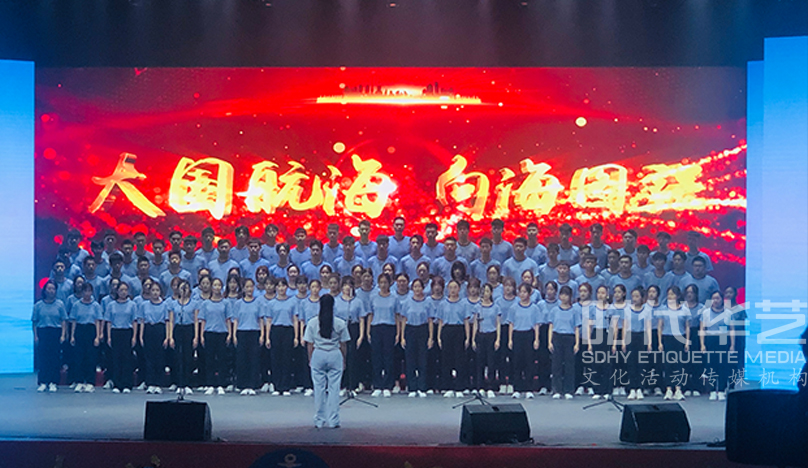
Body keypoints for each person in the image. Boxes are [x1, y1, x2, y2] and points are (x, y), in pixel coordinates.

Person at [303, 294, 351, 429]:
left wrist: (310, 359)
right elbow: (343, 344)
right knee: (334, 389)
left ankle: (319, 420)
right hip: (335, 353)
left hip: (318, 353)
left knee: (318, 389)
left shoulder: (312, 322)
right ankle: (333, 420)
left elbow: (309, 344)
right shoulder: (340, 323)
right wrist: (343, 359)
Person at [438, 280, 471, 397]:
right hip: (447, 330)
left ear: (459, 289)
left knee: (459, 359)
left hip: (459, 330)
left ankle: (459, 387)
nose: (453, 290)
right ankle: (448, 387)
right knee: (446, 360)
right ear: (447, 289)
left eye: (455, 287)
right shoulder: (443, 304)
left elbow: (466, 321)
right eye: (451, 287)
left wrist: (467, 337)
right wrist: (439, 337)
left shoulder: (464, 304)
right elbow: (440, 321)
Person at [656, 286, 690, 401]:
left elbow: (687, 327)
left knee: (679, 365)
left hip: (680, 338)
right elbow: (660, 326)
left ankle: (678, 389)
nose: (670, 296)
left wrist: (687, 342)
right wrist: (660, 342)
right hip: (667, 338)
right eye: (668, 294)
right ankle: (669, 389)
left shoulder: (684, 309)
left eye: (672, 294)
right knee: (668, 365)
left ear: (678, 296)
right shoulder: (663, 309)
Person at [699, 290, 735, 401]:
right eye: (713, 298)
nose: (715, 301)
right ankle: (713, 390)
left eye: (718, 298)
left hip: (723, 338)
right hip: (710, 339)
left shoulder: (728, 313)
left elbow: (732, 329)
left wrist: (732, 345)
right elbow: (702, 329)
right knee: (711, 365)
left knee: (723, 365)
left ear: (722, 299)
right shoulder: (706, 313)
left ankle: (722, 389)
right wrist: (702, 344)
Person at [33, 281, 68, 392]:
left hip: (55, 332)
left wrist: (63, 335)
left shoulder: (60, 304)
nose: (51, 291)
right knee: (43, 358)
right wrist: (35, 336)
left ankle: (54, 382)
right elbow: (35, 321)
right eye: (49, 288)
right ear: (44, 290)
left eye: (53, 289)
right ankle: (43, 382)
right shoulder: (38, 305)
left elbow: (63, 320)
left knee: (54, 358)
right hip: (43, 332)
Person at [508, 283, 541, 399]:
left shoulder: (534, 308)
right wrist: (510, 339)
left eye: (524, 292)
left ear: (529, 293)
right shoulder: (513, 308)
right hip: (517, 335)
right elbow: (511, 324)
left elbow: (536, 325)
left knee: (529, 363)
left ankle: (528, 389)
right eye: (520, 292)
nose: (522, 294)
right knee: (517, 363)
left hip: (529, 335)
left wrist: (536, 339)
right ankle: (517, 388)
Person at [231, 278, 264, 395]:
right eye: (247, 287)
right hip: (242, 332)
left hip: (254, 332)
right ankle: (242, 384)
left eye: (251, 286)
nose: (249, 289)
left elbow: (260, 319)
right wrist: (234, 335)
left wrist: (262, 335)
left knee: (254, 359)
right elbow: (236, 320)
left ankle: (253, 385)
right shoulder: (238, 303)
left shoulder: (258, 302)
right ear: (243, 288)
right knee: (242, 359)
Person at [548, 285, 582, 399]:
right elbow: (551, 326)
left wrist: (577, 343)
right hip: (557, 337)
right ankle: (556, 390)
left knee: (569, 365)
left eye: (566, 295)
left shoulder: (574, 311)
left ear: (570, 296)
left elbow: (576, 328)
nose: (564, 297)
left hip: (569, 337)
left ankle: (569, 390)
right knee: (556, 365)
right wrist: (549, 342)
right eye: (562, 294)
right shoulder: (554, 310)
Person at [265, 278, 297, 396]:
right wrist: (267, 337)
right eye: (279, 286)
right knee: (275, 359)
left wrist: (296, 336)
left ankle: (286, 386)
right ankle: (277, 386)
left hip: (287, 330)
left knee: (286, 358)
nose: (281, 288)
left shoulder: (292, 302)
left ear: (287, 287)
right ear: (276, 288)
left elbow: (295, 320)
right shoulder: (271, 303)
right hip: (276, 330)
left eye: (283, 286)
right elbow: (269, 321)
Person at [68, 283, 102, 393]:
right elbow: (74, 321)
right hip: (80, 330)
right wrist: (72, 336)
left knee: (91, 358)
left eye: (89, 291)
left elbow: (97, 321)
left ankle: (90, 382)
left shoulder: (96, 305)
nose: (87, 293)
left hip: (91, 330)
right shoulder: (76, 305)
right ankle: (79, 381)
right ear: (82, 292)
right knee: (79, 357)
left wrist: (97, 336)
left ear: (92, 292)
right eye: (85, 291)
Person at [104, 282, 138, 393]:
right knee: (116, 359)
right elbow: (109, 321)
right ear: (117, 291)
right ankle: (117, 384)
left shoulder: (132, 305)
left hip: (127, 332)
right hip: (115, 332)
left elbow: (134, 321)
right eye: (121, 290)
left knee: (127, 359)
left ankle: (127, 384)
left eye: (125, 290)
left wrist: (134, 337)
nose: (123, 292)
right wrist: (109, 337)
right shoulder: (111, 305)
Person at [368, 274, 398, 397]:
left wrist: (398, 333)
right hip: (376, 327)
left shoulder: (394, 297)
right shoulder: (373, 297)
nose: (383, 285)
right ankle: (377, 385)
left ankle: (388, 385)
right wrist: (368, 331)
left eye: (385, 282)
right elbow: (370, 314)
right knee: (376, 357)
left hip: (389, 327)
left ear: (389, 283)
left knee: (388, 357)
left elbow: (397, 316)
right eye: (381, 282)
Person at [138, 281, 171, 394]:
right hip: (149, 330)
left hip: (160, 330)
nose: (155, 292)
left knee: (160, 358)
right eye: (153, 290)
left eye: (157, 290)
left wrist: (167, 337)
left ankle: (159, 383)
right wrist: (141, 336)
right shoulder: (144, 305)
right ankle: (150, 383)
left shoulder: (165, 305)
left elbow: (167, 321)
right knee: (149, 358)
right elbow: (142, 321)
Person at [400, 278, 430, 397]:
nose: (417, 289)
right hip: (410, 330)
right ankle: (412, 387)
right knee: (410, 359)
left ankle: (422, 387)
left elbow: (430, 320)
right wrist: (402, 337)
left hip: (423, 330)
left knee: (422, 359)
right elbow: (403, 320)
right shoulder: (407, 302)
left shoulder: (427, 302)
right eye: (415, 287)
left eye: (419, 286)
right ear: (412, 289)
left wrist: (430, 337)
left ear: (423, 288)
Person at [198, 278, 229, 395]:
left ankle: (221, 384)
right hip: (209, 333)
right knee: (209, 359)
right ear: (212, 287)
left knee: (222, 360)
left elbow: (228, 319)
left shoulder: (225, 303)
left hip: (222, 333)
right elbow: (203, 320)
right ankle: (210, 384)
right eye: (215, 285)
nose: (217, 287)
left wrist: (230, 334)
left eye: (219, 285)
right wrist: (201, 335)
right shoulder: (205, 304)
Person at [169, 280, 201, 394]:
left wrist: (196, 336)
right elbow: (171, 321)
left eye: (186, 288)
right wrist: (170, 336)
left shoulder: (194, 303)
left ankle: (188, 383)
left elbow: (196, 320)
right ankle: (179, 383)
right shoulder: (174, 304)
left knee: (188, 357)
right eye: (182, 288)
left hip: (189, 329)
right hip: (178, 329)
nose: (184, 290)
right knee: (178, 357)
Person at [623, 286, 653, 400]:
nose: (635, 298)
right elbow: (625, 326)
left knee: (642, 364)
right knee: (631, 364)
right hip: (631, 336)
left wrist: (649, 342)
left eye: (637, 296)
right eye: (633, 296)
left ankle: (640, 388)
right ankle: (632, 388)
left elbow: (648, 326)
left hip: (642, 336)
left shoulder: (646, 310)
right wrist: (624, 341)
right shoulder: (627, 309)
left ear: (642, 298)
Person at [472, 282, 501, 398]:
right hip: (481, 335)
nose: (485, 294)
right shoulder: (477, 307)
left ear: (491, 293)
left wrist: (498, 339)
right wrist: (473, 339)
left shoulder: (496, 307)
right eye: (483, 291)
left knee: (491, 362)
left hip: (491, 335)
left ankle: (490, 387)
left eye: (487, 291)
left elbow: (498, 324)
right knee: (480, 362)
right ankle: (480, 387)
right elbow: (475, 323)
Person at [586, 285, 614, 399]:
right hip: (596, 334)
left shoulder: (611, 308)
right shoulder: (592, 308)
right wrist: (589, 343)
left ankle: (607, 390)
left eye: (603, 293)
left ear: (607, 294)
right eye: (598, 293)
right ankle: (597, 390)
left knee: (607, 364)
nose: (600, 295)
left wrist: (613, 343)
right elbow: (589, 326)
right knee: (596, 364)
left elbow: (614, 327)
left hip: (607, 335)